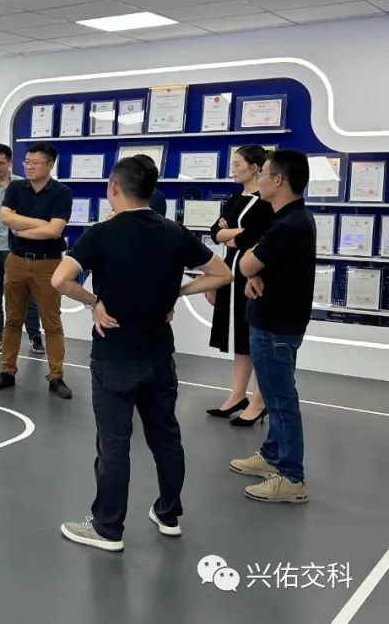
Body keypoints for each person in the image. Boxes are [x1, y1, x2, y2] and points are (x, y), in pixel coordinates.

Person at [52, 156, 232, 552]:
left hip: (115, 355)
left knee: (114, 443)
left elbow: (60, 279)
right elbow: (223, 273)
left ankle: (107, 528)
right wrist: (177, 293)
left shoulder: (102, 233)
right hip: (159, 354)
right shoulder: (174, 232)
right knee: (165, 436)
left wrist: (94, 302)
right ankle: (169, 514)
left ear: (114, 188)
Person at [230, 150, 315, 504]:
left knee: (280, 401)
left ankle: (292, 477)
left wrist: (251, 268)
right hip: (274, 320)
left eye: (264, 173)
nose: (259, 179)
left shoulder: (288, 224)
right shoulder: (290, 219)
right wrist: (254, 272)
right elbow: (259, 265)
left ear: (279, 180)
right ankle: (271, 455)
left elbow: (247, 263)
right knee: (275, 392)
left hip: (276, 325)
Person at [0, 142, 74, 398]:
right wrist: (40, 223)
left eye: (34, 163)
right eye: (26, 161)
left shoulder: (61, 193)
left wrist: (23, 229)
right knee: (13, 319)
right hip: (16, 260)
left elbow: (54, 231)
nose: (28, 166)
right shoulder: (16, 187)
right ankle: (7, 370)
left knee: (51, 322)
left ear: (50, 165)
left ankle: (56, 376)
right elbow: (6, 218)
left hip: (48, 264)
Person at [207, 145, 274, 424]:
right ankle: (237, 394)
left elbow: (255, 236)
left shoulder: (266, 201)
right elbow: (215, 232)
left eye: (238, 164)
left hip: (253, 274)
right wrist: (231, 234)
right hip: (231, 271)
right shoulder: (236, 197)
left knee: (254, 336)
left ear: (255, 167)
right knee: (238, 337)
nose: (232, 169)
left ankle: (259, 400)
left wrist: (231, 233)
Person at [0, 143, 44, 355]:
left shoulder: (24, 185)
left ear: (10, 162)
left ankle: (34, 335)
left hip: (19, 247)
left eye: (0, 163)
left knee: (27, 295)